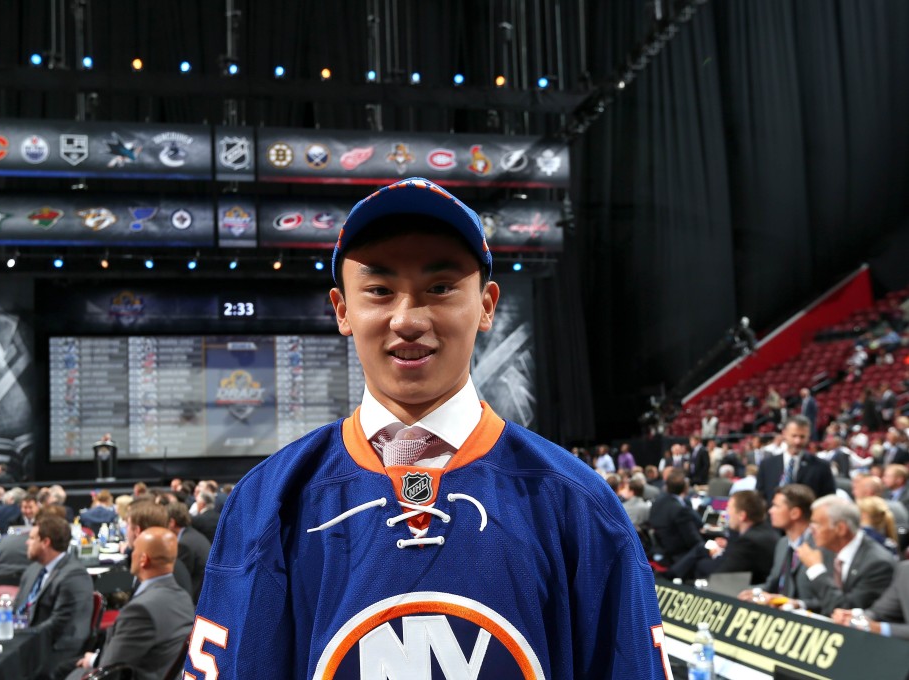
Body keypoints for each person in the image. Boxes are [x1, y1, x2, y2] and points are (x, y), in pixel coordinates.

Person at [184, 178, 668, 678]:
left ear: (486, 305)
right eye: (379, 290)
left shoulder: (578, 505)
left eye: (440, 288)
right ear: (343, 310)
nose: (407, 319)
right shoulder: (267, 503)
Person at [68, 527, 194, 680]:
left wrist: (91, 661)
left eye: (133, 550)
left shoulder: (141, 610)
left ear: (143, 560)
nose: (130, 554)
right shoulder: (184, 599)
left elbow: (109, 669)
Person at [15, 513, 95, 680]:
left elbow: (61, 623)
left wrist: (25, 637)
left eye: (32, 538)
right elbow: (18, 608)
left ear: (46, 542)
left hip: (55, 648)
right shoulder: (33, 570)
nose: (27, 542)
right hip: (28, 640)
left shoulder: (74, 575)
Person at [794, 494, 895, 616]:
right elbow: (828, 599)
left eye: (817, 524)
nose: (811, 530)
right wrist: (799, 604)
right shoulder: (828, 549)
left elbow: (845, 609)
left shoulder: (877, 563)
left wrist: (816, 570)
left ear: (841, 529)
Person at [739, 484, 832, 611]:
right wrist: (754, 592)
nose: (770, 511)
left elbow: (828, 599)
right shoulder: (783, 543)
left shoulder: (821, 547)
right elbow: (772, 584)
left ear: (795, 513)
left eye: (776, 506)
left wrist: (797, 604)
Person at [692, 490, 778, 584]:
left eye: (729, 508)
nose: (727, 512)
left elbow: (720, 576)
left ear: (742, 515)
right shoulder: (764, 531)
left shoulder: (749, 541)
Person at [757, 415, 836, 502]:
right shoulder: (767, 465)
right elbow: (760, 499)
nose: (797, 441)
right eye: (794, 436)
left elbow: (828, 500)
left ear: (808, 436)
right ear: (784, 434)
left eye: (802, 437)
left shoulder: (821, 466)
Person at [833, 562, 909, 640]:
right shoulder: (905, 570)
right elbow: (878, 612)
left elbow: (875, 627)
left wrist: (878, 628)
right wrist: (857, 617)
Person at [166, 501, 210, 602]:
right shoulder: (193, 534)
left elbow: (181, 580)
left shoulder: (184, 545)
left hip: (195, 601)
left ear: (172, 523)